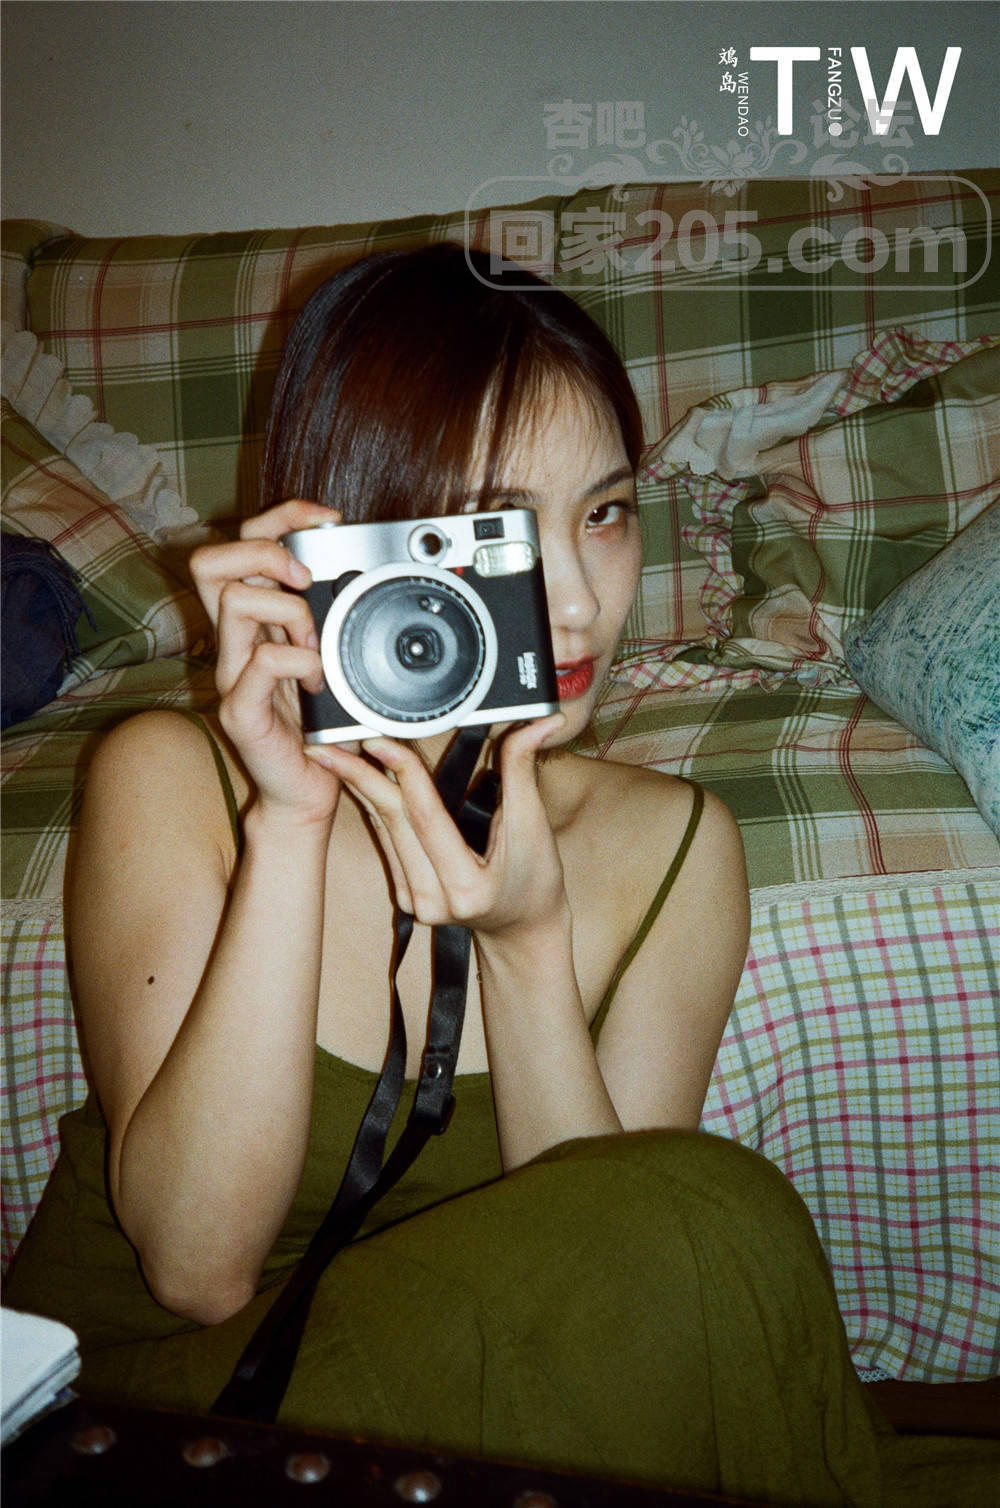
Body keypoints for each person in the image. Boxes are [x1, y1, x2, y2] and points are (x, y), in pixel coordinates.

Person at [6, 245, 995, 1505]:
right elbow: (197, 1270)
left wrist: (530, 944)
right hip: (150, 1419)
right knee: (719, 1225)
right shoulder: (170, 775)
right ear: (352, 544)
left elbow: (612, 1280)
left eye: (605, 512)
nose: (575, 600)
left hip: (477, 1422)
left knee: (701, 1225)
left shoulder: (676, 843)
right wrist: (290, 823)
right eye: (500, 530)